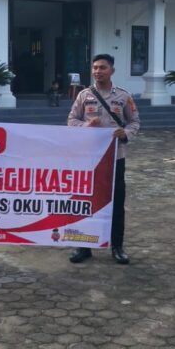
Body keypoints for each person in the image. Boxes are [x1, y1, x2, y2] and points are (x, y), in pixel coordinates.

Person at [67, 53, 140, 265]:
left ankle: (117, 246)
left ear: (112, 71)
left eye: (103, 68)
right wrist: (85, 126)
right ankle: (84, 246)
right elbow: (72, 120)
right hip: (89, 159)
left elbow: (135, 122)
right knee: (87, 201)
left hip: (115, 158)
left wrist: (125, 133)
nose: (98, 71)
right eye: (95, 68)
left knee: (116, 202)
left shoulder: (123, 96)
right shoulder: (84, 96)